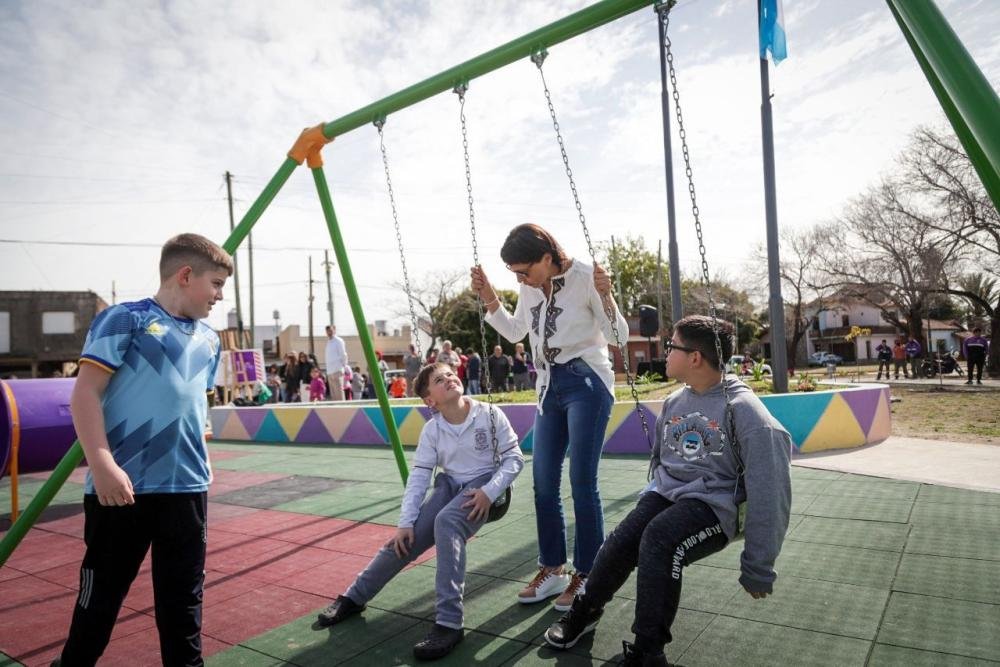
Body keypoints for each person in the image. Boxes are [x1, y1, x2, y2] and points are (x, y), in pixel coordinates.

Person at [543, 316, 792, 664]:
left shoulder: (747, 414)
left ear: (695, 358)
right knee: (624, 537)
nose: (665, 353)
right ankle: (587, 608)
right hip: (668, 494)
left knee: (660, 539)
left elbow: (771, 492)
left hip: (714, 505)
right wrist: (651, 495)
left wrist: (758, 565)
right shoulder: (676, 401)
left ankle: (648, 651)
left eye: (671, 346)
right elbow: (662, 463)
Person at [53, 233, 231, 666]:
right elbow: (85, 395)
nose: (219, 297)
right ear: (186, 275)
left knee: (183, 602)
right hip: (122, 489)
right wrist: (102, 462)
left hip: (187, 489)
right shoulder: (124, 319)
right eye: (216, 284)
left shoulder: (210, 340)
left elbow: (192, 401)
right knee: (100, 600)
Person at [316, 363, 524, 659]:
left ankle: (450, 623)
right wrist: (405, 523)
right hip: (451, 486)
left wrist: (490, 491)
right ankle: (355, 596)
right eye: (440, 380)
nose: (450, 378)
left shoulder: (488, 414)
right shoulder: (433, 430)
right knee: (407, 538)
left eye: (451, 374)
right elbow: (419, 478)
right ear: (431, 401)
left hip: (488, 487)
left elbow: (514, 458)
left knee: (447, 522)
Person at [470, 222, 627, 611]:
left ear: (547, 256)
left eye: (525, 270)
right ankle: (553, 569)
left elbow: (619, 337)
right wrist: (490, 296)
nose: (522, 279)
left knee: (581, 480)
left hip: (586, 382)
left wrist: (608, 298)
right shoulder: (528, 286)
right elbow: (516, 331)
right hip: (549, 387)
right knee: (542, 481)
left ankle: (589, 573)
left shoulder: (586, 277)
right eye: (515, 274)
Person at [325, 325, 348, 401]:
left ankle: (343, 410)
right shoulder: (328, 342)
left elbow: (343, 354)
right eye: (327, 331)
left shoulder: (339, 341)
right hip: (330, 371)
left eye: (330, 330)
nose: (329, 332)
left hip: (337, 370)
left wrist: (344, 367)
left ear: (334, 330)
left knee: (339, 393)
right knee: (333, 395)